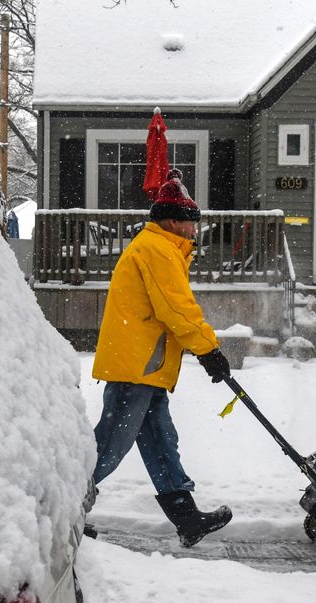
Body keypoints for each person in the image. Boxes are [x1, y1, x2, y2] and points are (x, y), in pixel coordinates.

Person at [89, 168, 233, 547]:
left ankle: (187, 518)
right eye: (192, 224)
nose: (195, 232)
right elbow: (177, 309)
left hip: (147, 366)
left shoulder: (161, 248)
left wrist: (204, 350)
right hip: (136, 366)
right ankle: (59, 508)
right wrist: (209, 350)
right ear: (173, 221)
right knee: (108, 446)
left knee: (159, 439)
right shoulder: (157, 250)